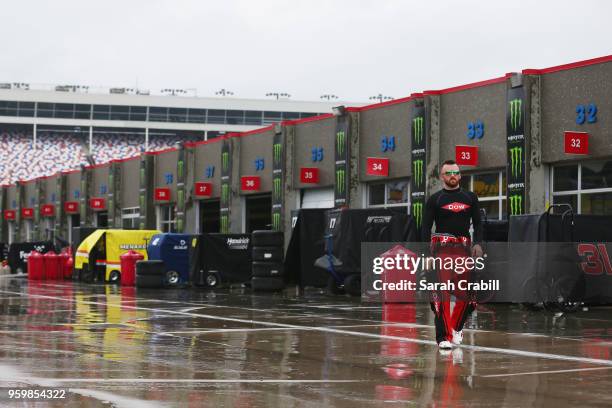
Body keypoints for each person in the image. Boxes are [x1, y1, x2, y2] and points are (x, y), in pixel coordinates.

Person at [422, 160, 483, 350]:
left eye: (456, 172)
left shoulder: (470, 197)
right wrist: (427, 255)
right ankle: (443, 336)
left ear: (460, 175)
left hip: (464, 252)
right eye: (448, 173)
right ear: (442, 176)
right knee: (441, 296)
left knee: (469, 296)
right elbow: (424, 227)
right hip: (442, 252)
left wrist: (479, 243)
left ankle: (457, 327)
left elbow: (479, 224)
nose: (452, 176)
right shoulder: (435, 199)